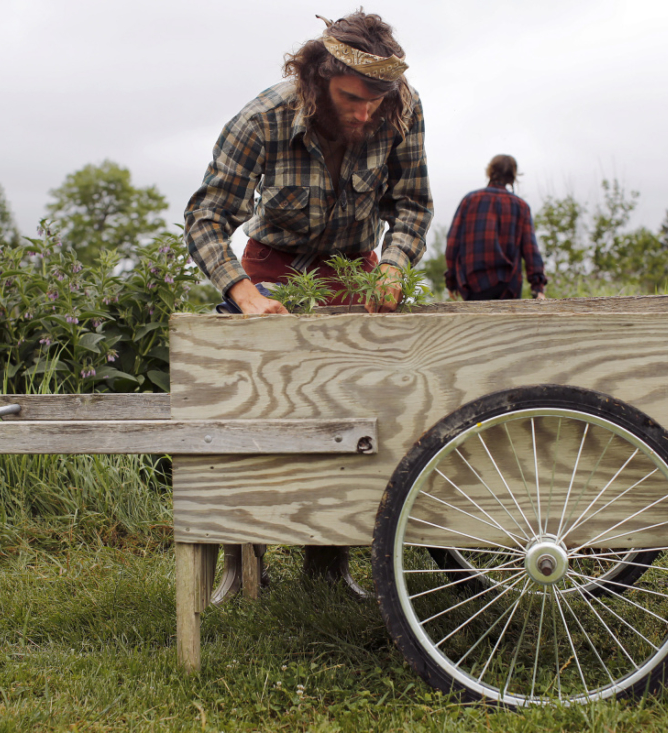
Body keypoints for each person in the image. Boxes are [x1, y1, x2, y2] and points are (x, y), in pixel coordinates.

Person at [183, 12, 432, 595]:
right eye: (351, 98)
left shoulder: (401, 108)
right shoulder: (263, 118)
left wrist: (394, 267)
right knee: (254, 409)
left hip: (355, 271)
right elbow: (206, 216)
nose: (365, 113)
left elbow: (412, 206)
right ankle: (244, 565)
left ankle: (329, 565)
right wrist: (242, 295)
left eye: (376, 100)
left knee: (360, 410)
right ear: (317, 79)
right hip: (274, 270)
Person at [444, 155, 547, 300]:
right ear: (513, 177)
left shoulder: (470, 200)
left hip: (473, 285)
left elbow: (453, 243)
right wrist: (537, 287)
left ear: (490, 171)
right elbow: (530, 249)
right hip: (508, 287)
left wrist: (451, 280)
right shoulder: (521, 206)